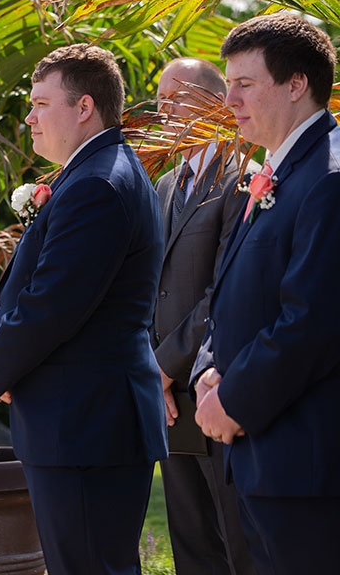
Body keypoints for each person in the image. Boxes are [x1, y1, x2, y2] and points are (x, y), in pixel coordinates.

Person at [0, 43, 166, 575]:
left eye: (40, 103)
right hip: (82, 417)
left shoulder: (99, 184)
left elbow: (56, 300)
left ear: (84, 107)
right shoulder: (98, 172)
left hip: (84, 422)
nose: (29, 117)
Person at [191, 12, 340, 574]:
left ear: (297, 84)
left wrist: (235, 399)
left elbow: (315, 320)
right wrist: (209, 368)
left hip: (306, 463)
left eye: (244, 84)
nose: (228, 99)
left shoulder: (330, 177)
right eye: (228, 84)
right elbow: (231, 289)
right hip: (263, 457)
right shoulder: (277, 173)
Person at [153, 58, 254, 575]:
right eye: (159, 99)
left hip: (216, 382)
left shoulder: (243, 180)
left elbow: (224, 288)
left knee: (238, 537)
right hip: (168, 398)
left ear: (215, 104)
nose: (163, 110)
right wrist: (156, 374)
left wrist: (167, 366)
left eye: (177, 97)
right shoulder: (166, 185)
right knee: (191, 540)